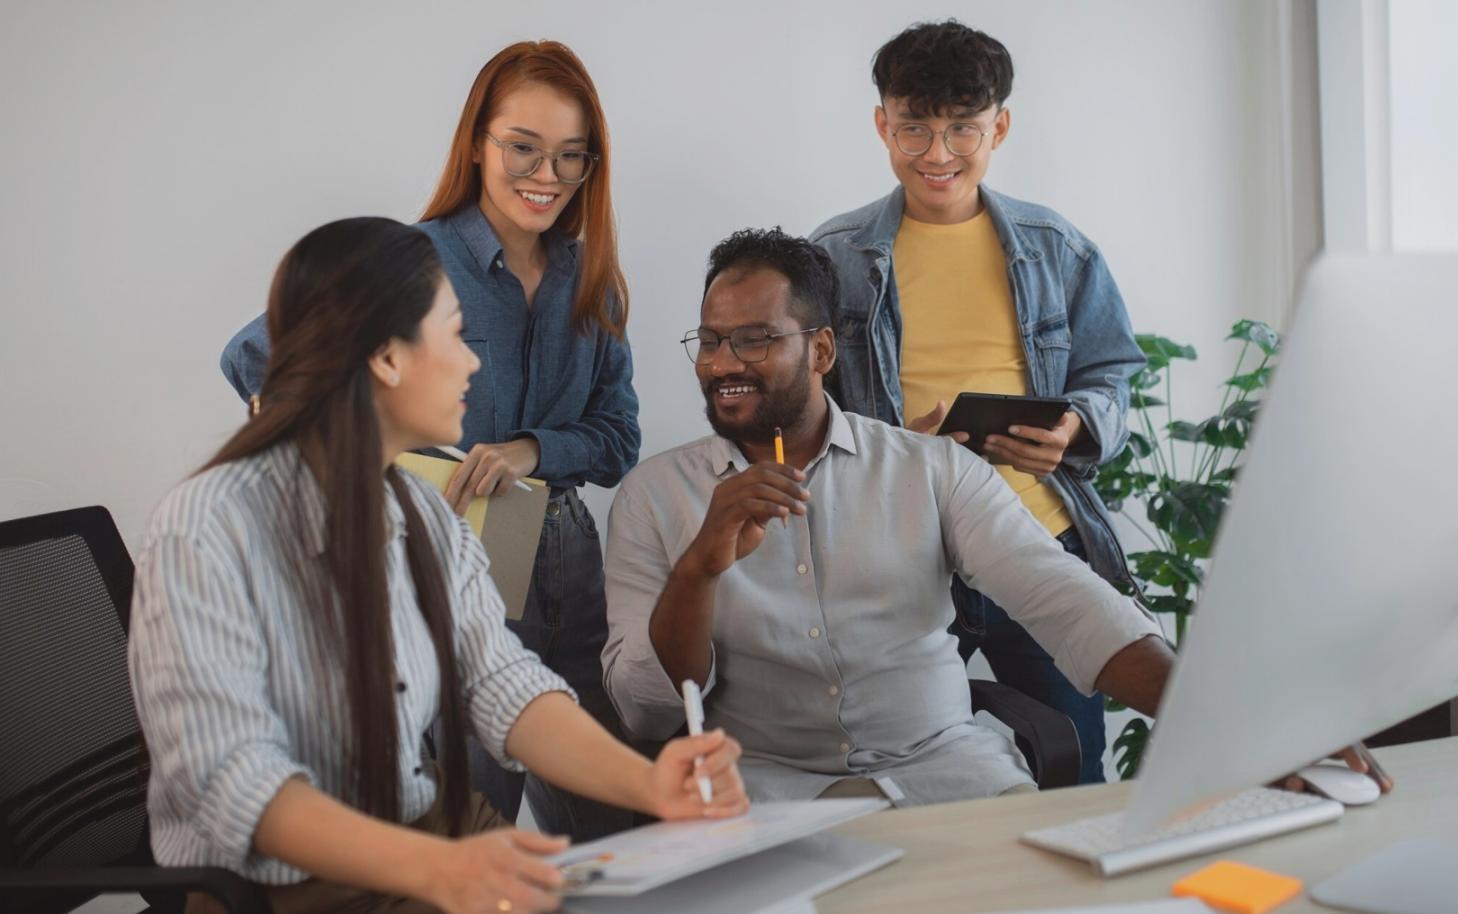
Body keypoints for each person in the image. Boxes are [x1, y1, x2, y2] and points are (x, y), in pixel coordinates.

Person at [131, 218, 748, 914]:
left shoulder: (422, 514)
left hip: (421, 840)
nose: (472, 362)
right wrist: (438, 870)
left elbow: (502, 683)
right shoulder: (207, 527)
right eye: (454, 335)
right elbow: (231, 782)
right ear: (389, 359)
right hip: (284, 889)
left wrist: (650, 785)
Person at [218, 41, 639, 837]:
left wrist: (528, 450)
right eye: (523, 147)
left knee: (615, 825)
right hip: (454, 548)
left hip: (569, 562)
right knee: (475, 816)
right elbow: (253, 358)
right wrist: (350, 463)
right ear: (478, 141)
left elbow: (619, 439)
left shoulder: (593, 276)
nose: (546, 176)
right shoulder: (414, 261)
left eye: (571, 157)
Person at [601, 228, 1172, 805]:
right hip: (766, 795)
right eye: (711, 341)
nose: (722, 365)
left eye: (753, 341)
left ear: (822, 351)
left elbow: (1067, 601)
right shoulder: (652, 497)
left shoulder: (931, 469)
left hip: (947, 774)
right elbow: (644, 709)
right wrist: (699, 567)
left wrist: (1209, 717)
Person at [809, 20, 1146, 784]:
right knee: (893, 770)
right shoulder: (833, 257)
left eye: (962, 129)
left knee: (1073, 770)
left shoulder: (1056, 247)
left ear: (999, 125)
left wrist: (1075, 426)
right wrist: (890, 448)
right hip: (900, 551)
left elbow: (1115, 372)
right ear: (881, 126)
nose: (937, 154)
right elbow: (802, 408)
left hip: (1039, 540)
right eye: (914, 129)